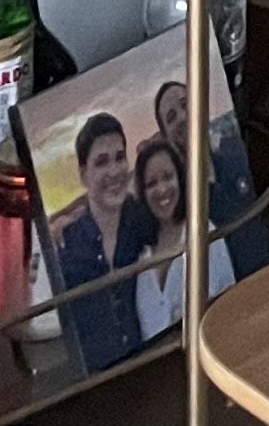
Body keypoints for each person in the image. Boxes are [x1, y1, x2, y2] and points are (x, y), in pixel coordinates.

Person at [49, 109, 146, 372]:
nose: (114, 170)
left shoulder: (146, 221)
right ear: (83, 175)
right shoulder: (64, 245)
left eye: (119, 158)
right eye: (101, 162)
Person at [132, 135, 238, 342]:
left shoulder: (204, 232)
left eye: (168, 177)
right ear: (143, 193)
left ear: (180, 178)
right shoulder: (141, 263)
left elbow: (228, 307)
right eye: (151, 183)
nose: (162, 189)